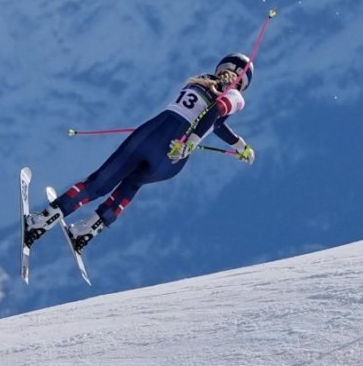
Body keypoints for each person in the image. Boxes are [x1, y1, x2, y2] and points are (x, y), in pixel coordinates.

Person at [24, 53, 257, 252]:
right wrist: (237, 145)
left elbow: (213, 114)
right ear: (243, 83)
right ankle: (88, 230)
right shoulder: (235, 97)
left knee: (100, 183)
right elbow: (215, 119)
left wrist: (206, 141)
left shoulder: (202, 80)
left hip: (154, 134)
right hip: (173, 160)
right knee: (133, 184)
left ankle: (42, 221)